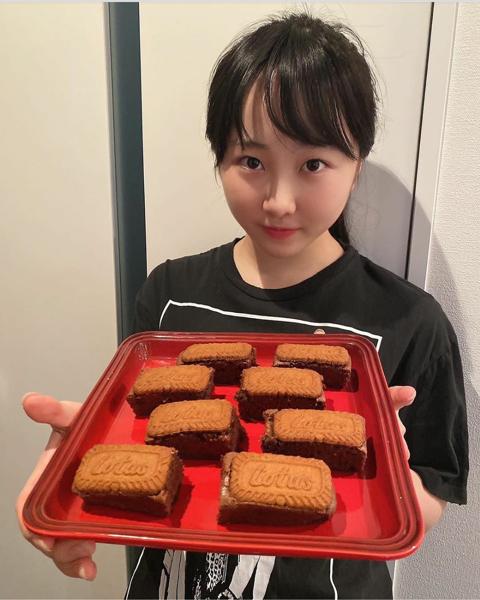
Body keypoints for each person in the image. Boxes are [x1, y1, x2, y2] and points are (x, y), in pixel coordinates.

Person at [16, 10, 468, 599]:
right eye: (251, 162)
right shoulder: (169, 292)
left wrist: (395, 487)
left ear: (356, 165)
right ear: (218, 158)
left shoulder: (409, 320)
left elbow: (433, 492)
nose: (279, 200)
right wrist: (75, 471)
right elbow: (135, 438)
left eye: (313, 164)